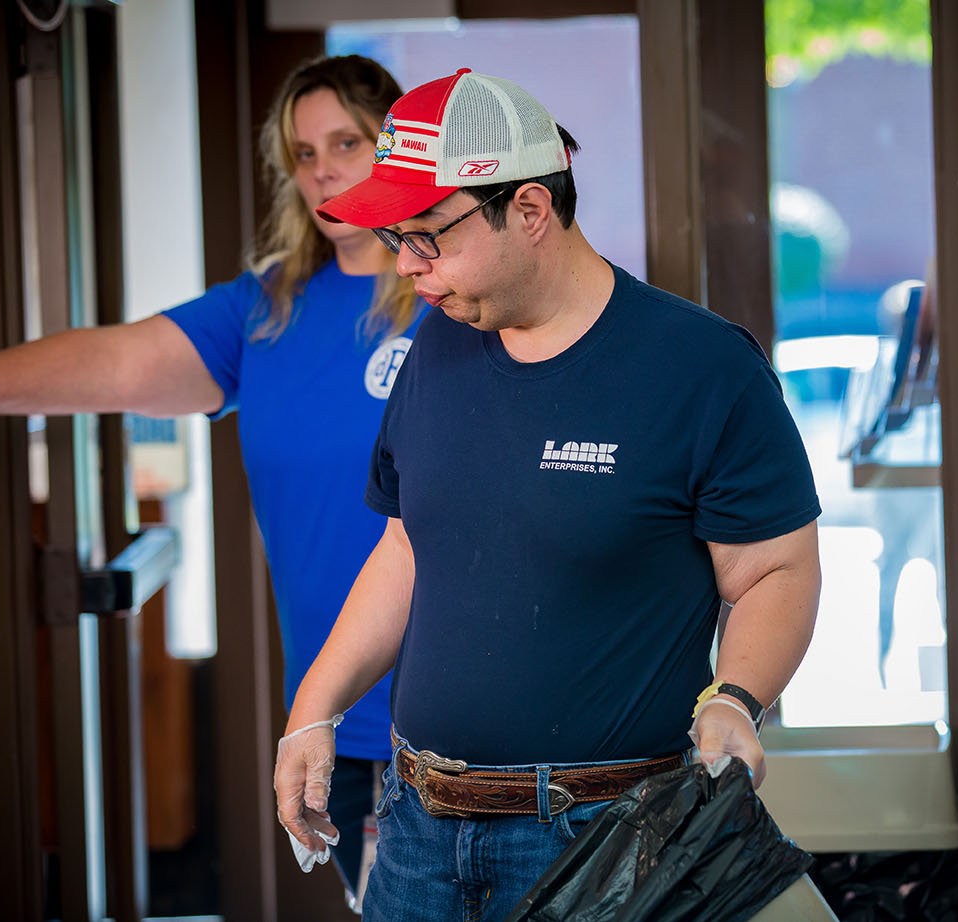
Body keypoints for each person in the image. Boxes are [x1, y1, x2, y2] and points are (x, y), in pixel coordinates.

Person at [273, 68, 823, 921]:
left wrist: (736, 699)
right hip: (417, 832)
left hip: (604, 839)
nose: (413, 274)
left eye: (431, 238)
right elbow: (408, 547)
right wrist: (312, 713)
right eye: (399, 243)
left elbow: (774, 571)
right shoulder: (436, 352)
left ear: (529, 210)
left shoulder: (702, 369)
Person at [0, 55, 419, 908]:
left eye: (348, 142)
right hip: (336, 728)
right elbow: (114, 362)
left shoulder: (456, 294)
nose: (324, 169)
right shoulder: (267, 310)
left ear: (401, 145)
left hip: (474, 728)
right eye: (303, 153)